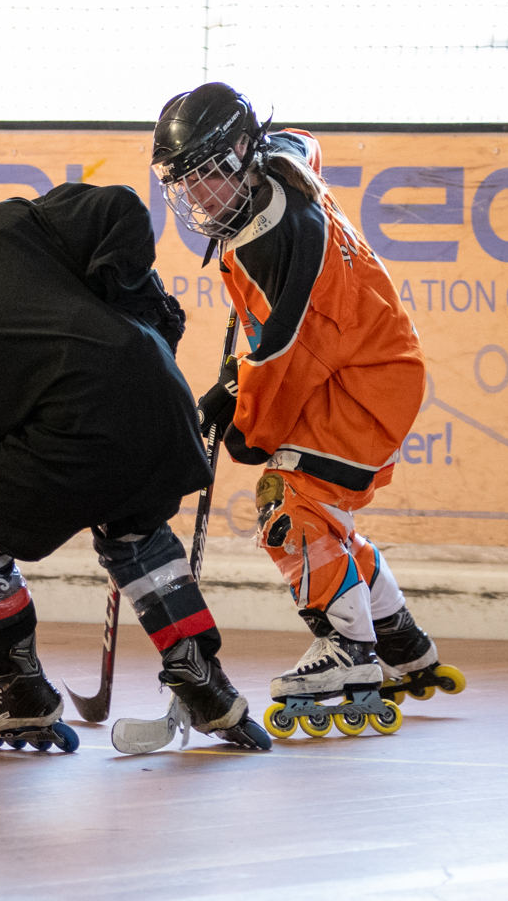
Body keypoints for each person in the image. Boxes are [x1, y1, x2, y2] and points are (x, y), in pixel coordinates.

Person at [0, 159, 270, 752]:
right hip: (160, 399)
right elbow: (122, 207)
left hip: (75, 429)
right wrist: (136, 305)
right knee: (134, 534)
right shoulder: (11, 224)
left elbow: (2, 427)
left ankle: (19, 688)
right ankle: (206, 684)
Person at [149, 83, 465, 732]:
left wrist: (243, 417)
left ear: (241, 154)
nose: (197, 195)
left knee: (286, 503)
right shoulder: (281, 160)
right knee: (324, 515)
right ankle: (399, 640)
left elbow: (282, 357)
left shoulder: (269, 243)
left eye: (207, 175)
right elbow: (304, 142)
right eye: (184, 182)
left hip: (361, 386)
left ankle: (348, 648)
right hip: (370, 361)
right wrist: (234, 387)